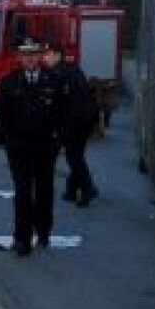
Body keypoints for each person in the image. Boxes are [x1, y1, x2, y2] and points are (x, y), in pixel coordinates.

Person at [0, 39, 65, 256]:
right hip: (19, 146)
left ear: (40, 56)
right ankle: (21, 238)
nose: (30, 59)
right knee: (22, 192)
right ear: (20, 56)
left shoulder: (54, 80)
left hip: (45, 146)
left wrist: (57, 140)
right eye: (26, 54)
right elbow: (2, 115)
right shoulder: (9, 82)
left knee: (44, 190)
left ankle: (43, 231)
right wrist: (7, 141)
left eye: (34, 54)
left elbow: (63, 113)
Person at [43, 41, 100, 207]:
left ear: (57, 55)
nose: (45, 58)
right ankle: (71, 190)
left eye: (48, 55)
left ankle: (88, 188)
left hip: (74, 121)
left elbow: (58, 104)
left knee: (73, 157)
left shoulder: (57, 73)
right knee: (76, 155)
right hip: (87, 118)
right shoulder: (73, 68)